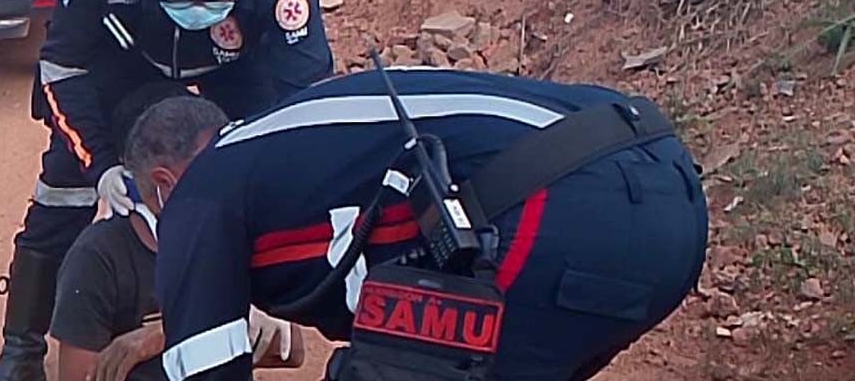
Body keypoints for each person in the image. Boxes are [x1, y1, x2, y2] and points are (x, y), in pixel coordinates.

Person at [126, 68, 709, 381]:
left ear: (163, 183)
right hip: (666, 189)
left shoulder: (200, 192)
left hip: (559, 209)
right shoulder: (290, 138)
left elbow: (206, 371)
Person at [0, 0, 333, 381]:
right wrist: (100, 163)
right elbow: (62, 65)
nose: (196, 10)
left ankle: (239, 312)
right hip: (124, 55)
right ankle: (21, 347)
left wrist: (275, 290)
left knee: (255, 180)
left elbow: (301, 103)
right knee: (64, 188)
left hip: (234, 65)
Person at [51, 83, 302, 381]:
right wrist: (227, 327)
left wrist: (163, 336)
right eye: (217, 171)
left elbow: (291, 351)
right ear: (165, 183)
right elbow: (81, 377)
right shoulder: (99, 258)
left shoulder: (241, 236)